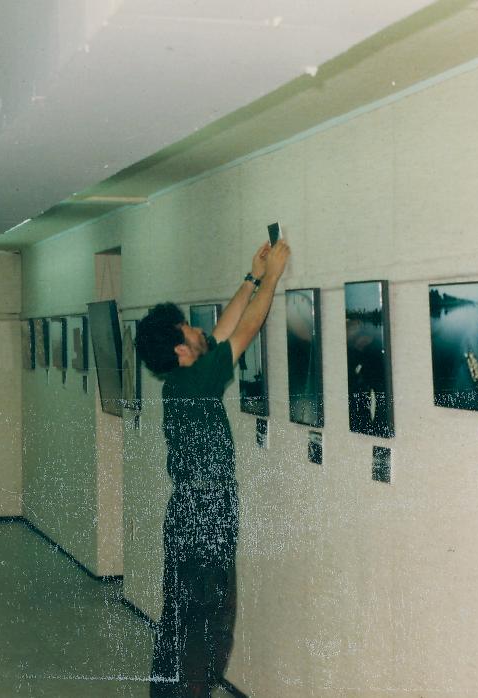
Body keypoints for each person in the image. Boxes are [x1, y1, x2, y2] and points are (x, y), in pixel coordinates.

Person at [136, 239, 290, 698]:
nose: (198, 330)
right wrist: (274, 276)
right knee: (207, 628)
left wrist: (251, 277)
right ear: (181, 350)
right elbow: (245, 329)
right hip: (208, 511)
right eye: (188, 329)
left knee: (181, 621)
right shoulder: (195, 380)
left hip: (187, 509)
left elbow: (221, 333)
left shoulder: (181, 382)